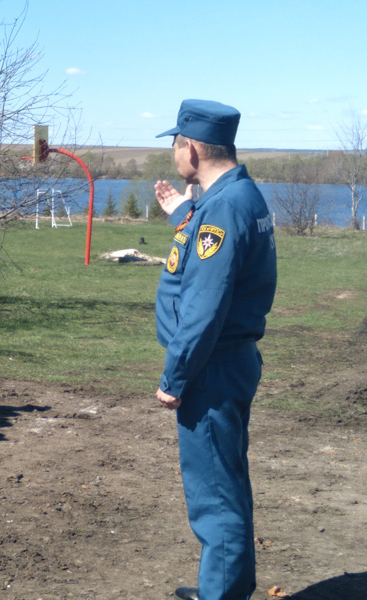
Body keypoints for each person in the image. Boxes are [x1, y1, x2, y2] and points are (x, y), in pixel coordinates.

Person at [153, 100, 277, 600]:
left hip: (211, 367)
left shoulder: (222, 208)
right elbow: (217, 255)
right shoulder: (235, 196)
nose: (174, 155)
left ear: (194, 148)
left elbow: (204, 304)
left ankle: (222, 595)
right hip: (229, 361)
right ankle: (229, 585)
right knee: (227, 481)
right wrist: (186, 213)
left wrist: (175, 376)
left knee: (215, 495)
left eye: (176, 145)